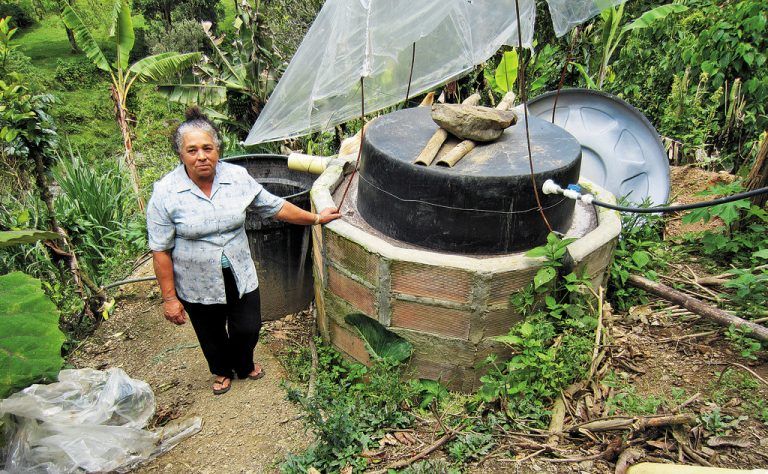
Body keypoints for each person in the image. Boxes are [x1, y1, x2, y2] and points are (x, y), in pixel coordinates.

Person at [147, 107, 341, 395]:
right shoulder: (166, 192)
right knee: (210, 331)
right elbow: (160, 249)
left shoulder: (236, 177)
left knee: (248, 326)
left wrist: (314, 218)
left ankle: (244, 361)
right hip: (195, 278)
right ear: (181, 154)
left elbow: (274, 206)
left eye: (207, 148)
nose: (201, 156)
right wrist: (170, 298)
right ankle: (222, 370)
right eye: (192, 150)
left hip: (238, 270)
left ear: (217, 149)